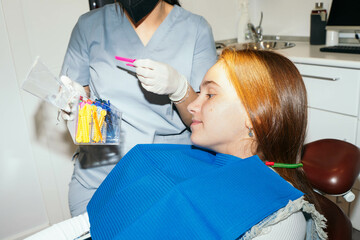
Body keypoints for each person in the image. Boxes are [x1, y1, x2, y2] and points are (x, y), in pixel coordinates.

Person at [27, 49, 327, 240]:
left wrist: (180, 89)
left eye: (209, 94)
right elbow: (93, 223)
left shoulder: (278, 218)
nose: (193, 104)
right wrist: (85, 120)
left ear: (255, 118)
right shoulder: (165, 161)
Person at [60, 0, 217, 216]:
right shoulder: (89, 26)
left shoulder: (195, 29)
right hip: (100, 181)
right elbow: (79, 94)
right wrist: (73, 101)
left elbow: (208, 122)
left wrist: (180, 90)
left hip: (171, 178)